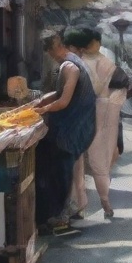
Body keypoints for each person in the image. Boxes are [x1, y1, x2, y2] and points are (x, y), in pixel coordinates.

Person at [33, 31, 97, 237]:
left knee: (60, 174)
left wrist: (42, 110)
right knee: (53, 171)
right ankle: (50, 217)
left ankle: (59, 219)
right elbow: (59, 93)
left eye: (48, 52)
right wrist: (41, 100)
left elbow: (64, 101)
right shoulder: (69, 62)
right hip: (69, 127)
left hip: (72, 129)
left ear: (52, 49)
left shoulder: (69, 67)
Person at [66, 27, 126, 219]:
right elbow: (115, 94)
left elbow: (92, 89)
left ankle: (79, 205)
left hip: (86, 117)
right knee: (100, 164)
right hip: (104, 119)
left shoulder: (81, 63)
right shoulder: (106, 62)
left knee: (78, 164)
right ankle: (104, 203)